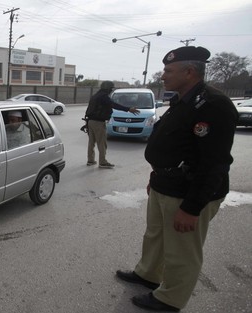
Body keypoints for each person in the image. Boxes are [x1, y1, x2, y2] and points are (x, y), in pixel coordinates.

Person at [116, 46, 238, 311]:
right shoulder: (181, 100)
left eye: (169, 71)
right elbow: (175, 147)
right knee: (156, 236)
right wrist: (156, 176)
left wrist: (191, 208)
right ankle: (148, 275)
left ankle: (170, 298)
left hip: (187, 192)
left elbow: (213, 163)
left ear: (189, 72)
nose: (163, 76)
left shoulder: (213, 105)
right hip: (164, 185)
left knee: (182, 249)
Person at [84, 81, 140, 168]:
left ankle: (90, 160)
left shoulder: (95, 96)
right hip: (98, 122)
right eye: (111, 88)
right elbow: (114, 105)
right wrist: (128, 109)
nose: (111, 90)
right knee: (102, 143)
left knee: (91, 142)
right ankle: (103, 162)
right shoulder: (103, 97)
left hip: (90, 121)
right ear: (108, 88)